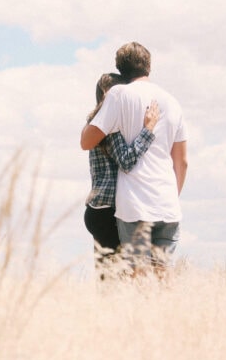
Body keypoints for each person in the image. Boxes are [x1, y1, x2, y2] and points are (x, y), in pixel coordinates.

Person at [81, 42, 188, 277]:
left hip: (134, 205)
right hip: (167, 203)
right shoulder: (172, 101)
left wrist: (146, 130)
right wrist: (171, 194)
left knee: (133, 278)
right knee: (163, 274)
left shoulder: (119, 96)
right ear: (149, 65)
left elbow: (87, 142)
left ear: (121, 68)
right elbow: (182, 162)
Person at [84, 72, 160, 280]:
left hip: (97, 209)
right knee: (119, 280)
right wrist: (148, 130)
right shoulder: (110, 126)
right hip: (109, 211)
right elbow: (126, 160)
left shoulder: (95, 123)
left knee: (107, 278)